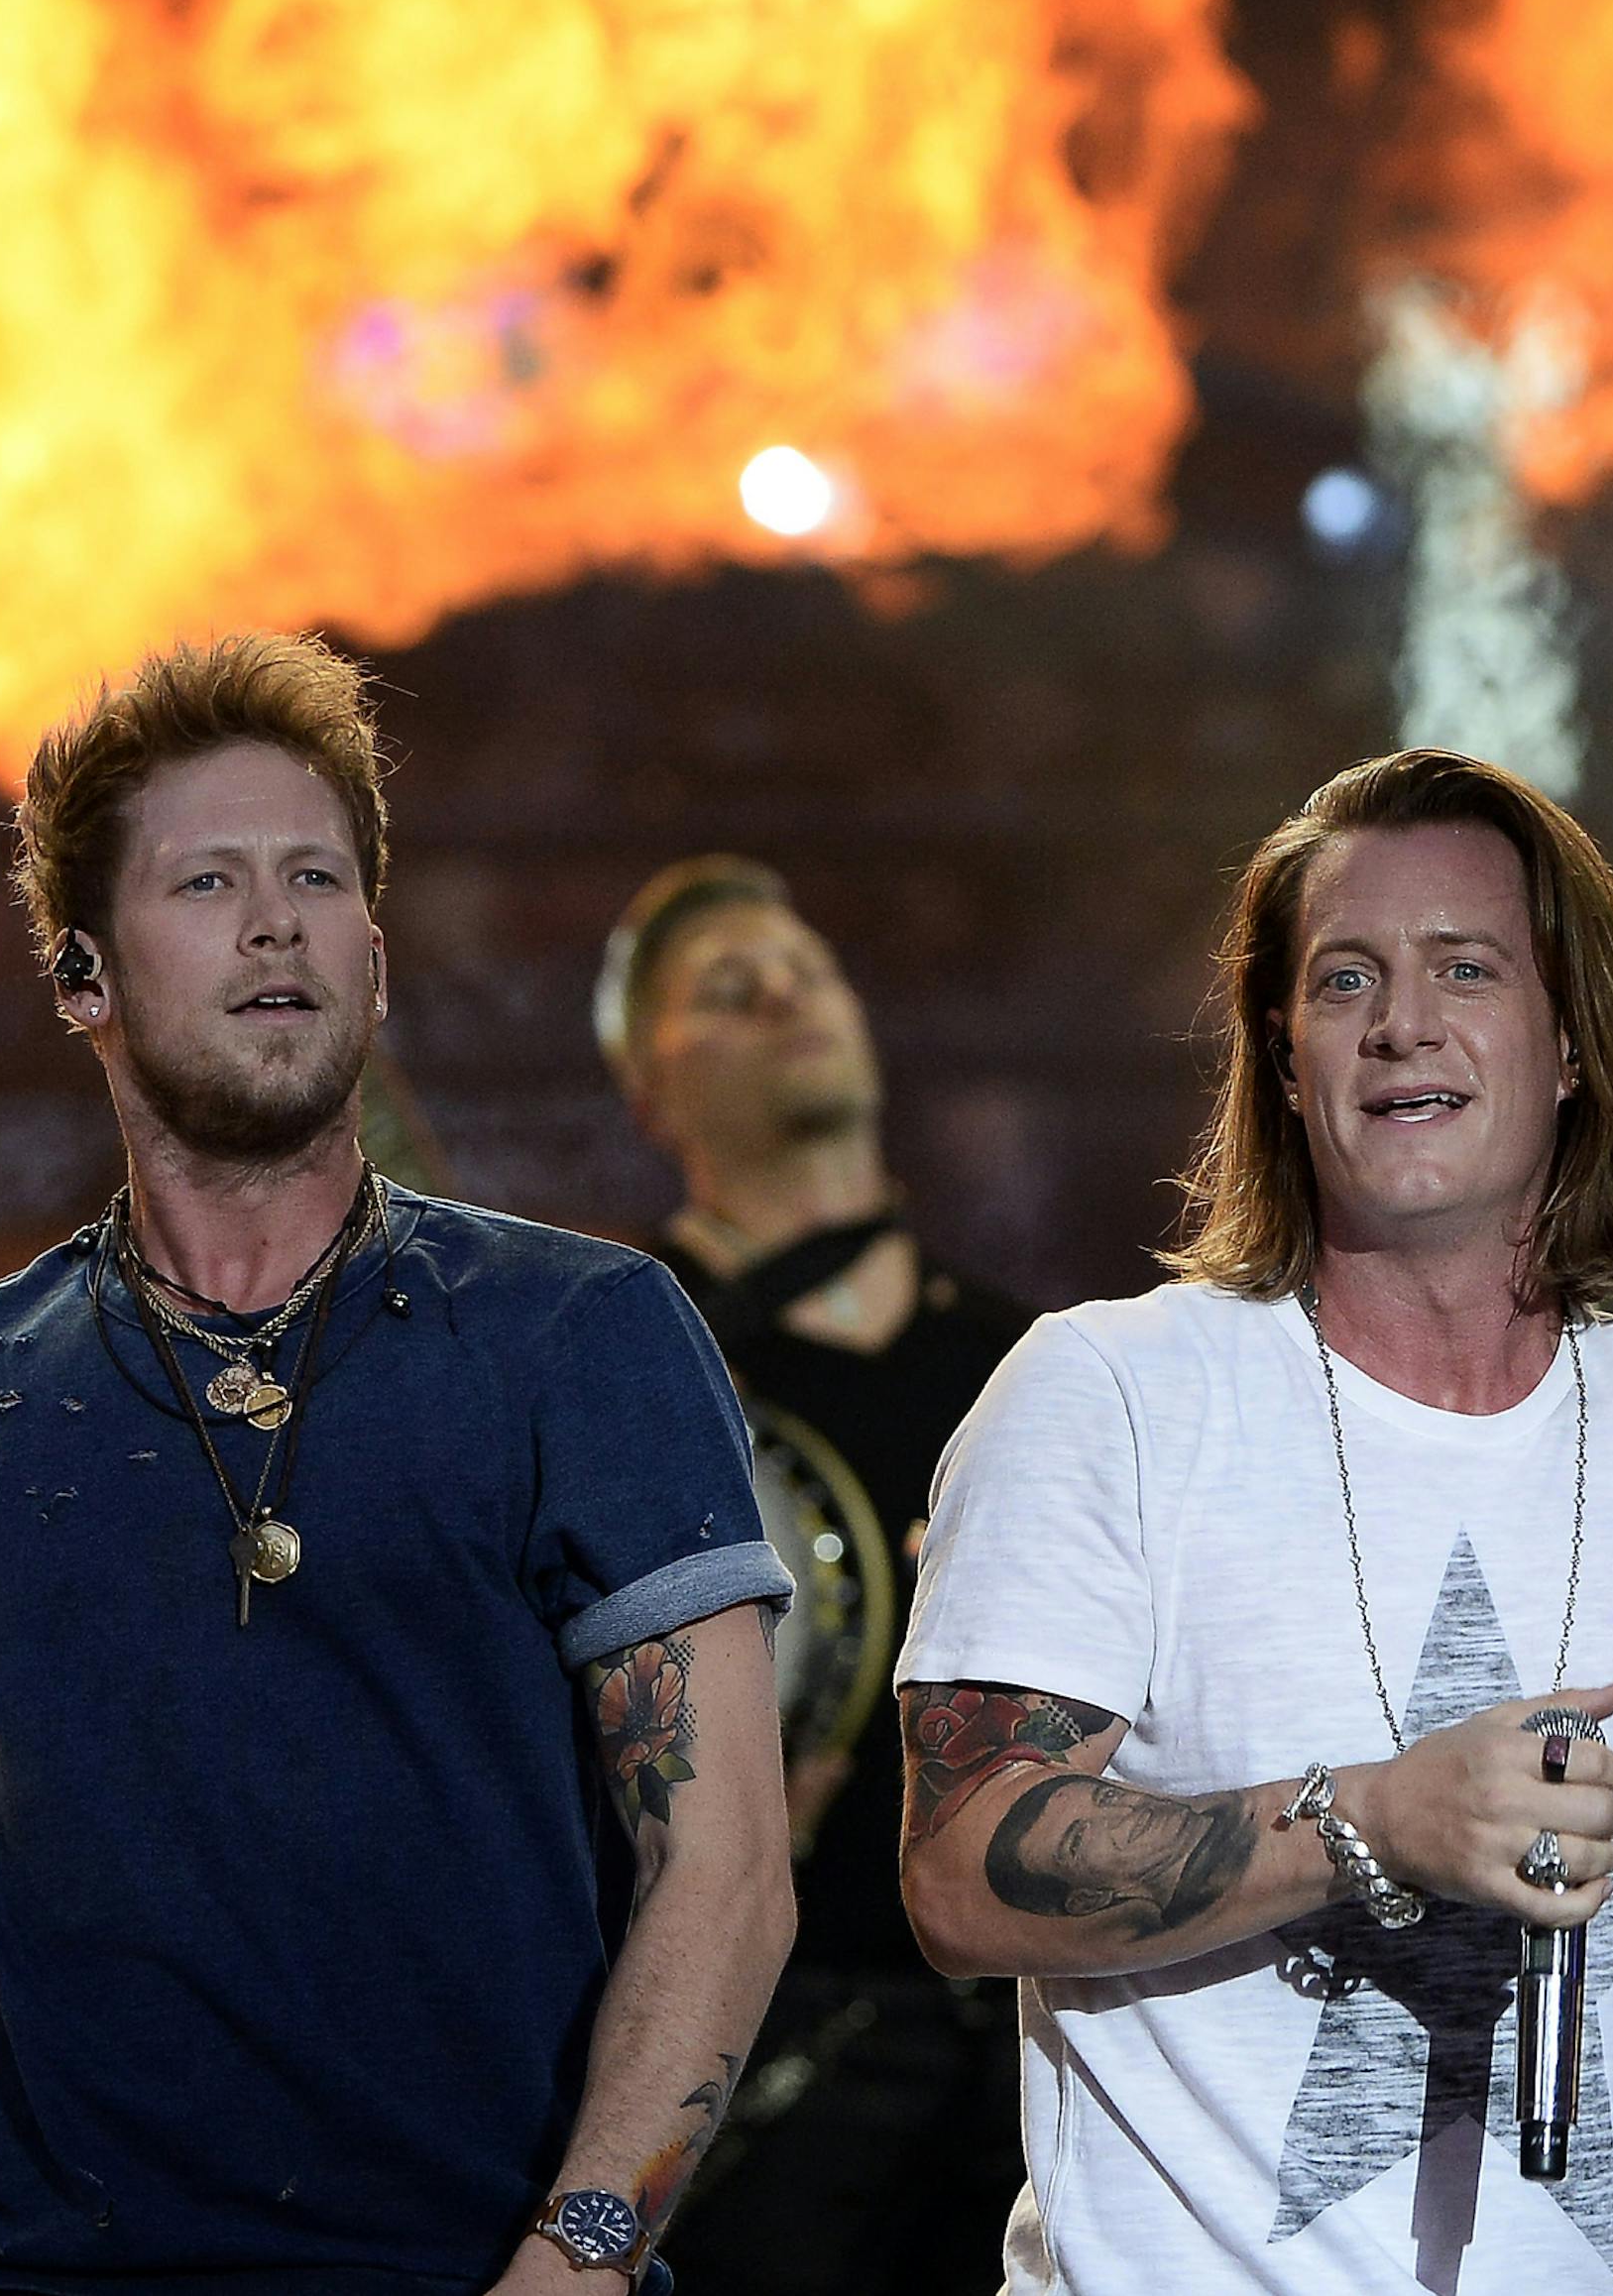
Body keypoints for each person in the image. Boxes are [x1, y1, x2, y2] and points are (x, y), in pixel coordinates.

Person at [0, 635, 797, 2296]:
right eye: (209, 881)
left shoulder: (581, 1334)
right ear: (83, 977)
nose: (277, 921)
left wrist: (579, 2256)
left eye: (316, 876)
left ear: (375, 964)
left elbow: (729, 1867)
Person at [896, 747, 1613, 2296]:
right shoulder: (1105, 1395)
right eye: (1346, 976)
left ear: (1572, 1043)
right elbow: (960, 1874)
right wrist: (1370, 1821)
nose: (1401, 1022)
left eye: (1466, 967)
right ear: (1285, 1053)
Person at [595, 859, 1029, 2296]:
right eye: (729, 989)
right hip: (762, 2078)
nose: (786, 997)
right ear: (647, 1089)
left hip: (1036, 2059)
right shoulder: (610, 1362)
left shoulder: (1033, 1367)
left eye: (808, 970)